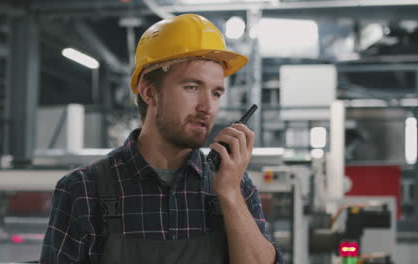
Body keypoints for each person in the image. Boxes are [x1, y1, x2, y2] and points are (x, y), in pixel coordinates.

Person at [40, 14, 284, 264]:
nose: (207, 106)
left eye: (216, 92)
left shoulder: (234, 183)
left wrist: (230, 194)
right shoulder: (84, 190)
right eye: (191, 87)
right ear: (149, 92)